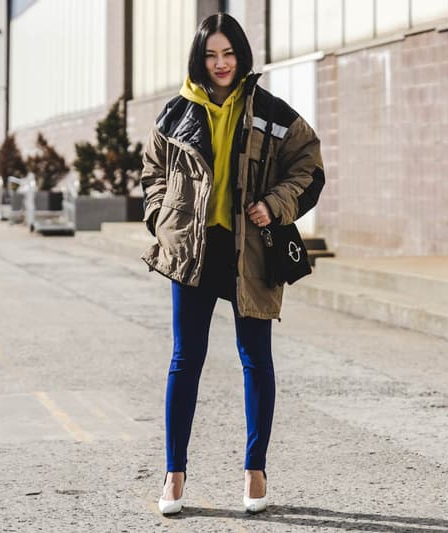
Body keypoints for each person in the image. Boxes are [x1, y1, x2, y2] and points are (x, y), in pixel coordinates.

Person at [139, 12, 325, 515]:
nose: (221, 64)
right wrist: (162, 218)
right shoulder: (176, 113)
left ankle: (255, 471)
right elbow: (152, 171)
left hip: (252, 250)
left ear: (241, 55)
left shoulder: (269, 111)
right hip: (194, 251)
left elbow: (308, 161)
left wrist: (276, 204)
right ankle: (174, 474)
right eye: (211, 55)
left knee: (255, 359)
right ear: (199, 59)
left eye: (229, 54)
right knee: (185, 359)